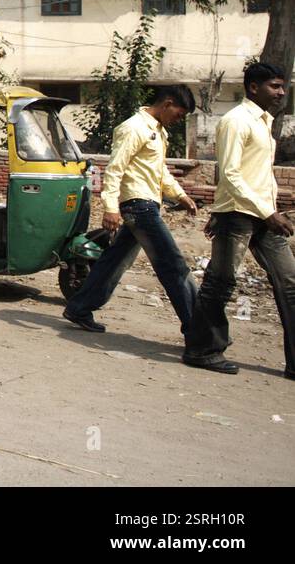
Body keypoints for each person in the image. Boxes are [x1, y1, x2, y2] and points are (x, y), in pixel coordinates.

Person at [183, 62, 295, 376]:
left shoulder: (264, 122)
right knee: (220, 283)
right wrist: (266, 212)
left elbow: (260, 174)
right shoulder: (235, 121)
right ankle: (202, 351)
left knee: (290, 284)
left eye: (282, 86)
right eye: (274, 86)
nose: (281, 92)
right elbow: (229, 174)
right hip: (238, 215)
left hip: (263, 214)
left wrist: (271, 208)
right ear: (252, 87)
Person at [63, 85, 199, 333]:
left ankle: (79, 307)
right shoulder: (134, 128)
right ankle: (200, 329)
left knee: (115, 261)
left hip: (146, 205)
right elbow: (115, 169)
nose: (177, 121)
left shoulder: (157, 131)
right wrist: (110, 208)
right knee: (173, 265)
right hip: (139, 207)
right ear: (167, 104)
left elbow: (160, 171)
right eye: (178, 115)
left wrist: (180, 196)